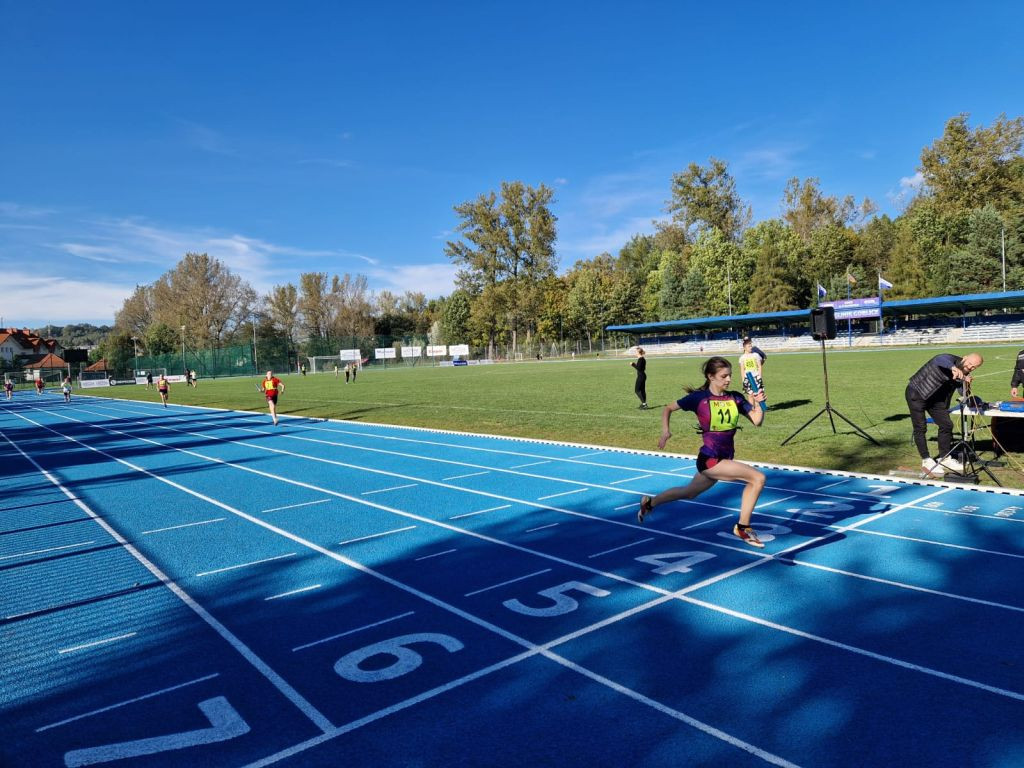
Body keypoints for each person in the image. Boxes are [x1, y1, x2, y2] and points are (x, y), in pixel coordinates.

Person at [637, 356, 767, 548]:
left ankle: (649, 503)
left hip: (724, 458)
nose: (729, 379)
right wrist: (665, 431)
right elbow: (668, 408)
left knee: (688, 493)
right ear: (710, 376)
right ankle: (743, 527)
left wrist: (759, 403)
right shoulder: (699, 398)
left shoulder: (735, 398)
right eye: (724, 376)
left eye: (730, 375)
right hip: (710, 460)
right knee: (757, 478)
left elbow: (757, 421)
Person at [905, 352, 983, 476]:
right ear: (965, 357)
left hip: (935, 400)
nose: (970, 367)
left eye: (974, 367)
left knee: (947, 425)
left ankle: (944, 458)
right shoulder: (949, 359)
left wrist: (966, 384)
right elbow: (939, 359)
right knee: (920, 427)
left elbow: (961, 392)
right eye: (969, 363)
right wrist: (953, 368)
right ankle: (926, 460)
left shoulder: (964, 373)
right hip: (917, 393)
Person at [738, 337, 765, 403]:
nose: (751, 347)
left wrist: (759, 376)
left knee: (758, 394)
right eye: (749, 346)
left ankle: (759, 407)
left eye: (751, 346)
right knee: (750, 395)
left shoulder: (756, 355)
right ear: (744, 348)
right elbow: (742, 370)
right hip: (748, 378)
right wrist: (743, 380)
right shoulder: (742, 358)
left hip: (756, 377)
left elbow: (759, 366)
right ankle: (752, 408)